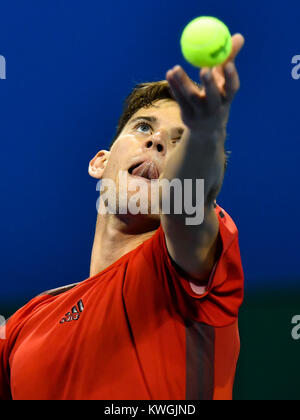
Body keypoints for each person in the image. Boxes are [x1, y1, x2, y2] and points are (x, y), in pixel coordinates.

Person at [0, 34, 245, 400]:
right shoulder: (25, 324)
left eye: (179, 140)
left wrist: (207, 133)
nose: (157, 141)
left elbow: (185, 203)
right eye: (144, 127)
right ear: (100, 161)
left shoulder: (186, 272)